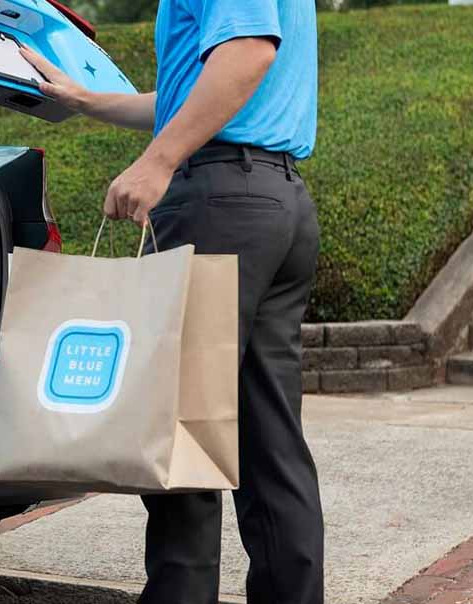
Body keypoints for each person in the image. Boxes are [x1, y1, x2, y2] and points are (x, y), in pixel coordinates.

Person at [22, 1, 324, 602]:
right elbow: (199, 95)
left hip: (220, 202)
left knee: (180, 439)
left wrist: (158, 162)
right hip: (276, 201)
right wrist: (86, 100)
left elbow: (247, 54)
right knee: (270, 444)